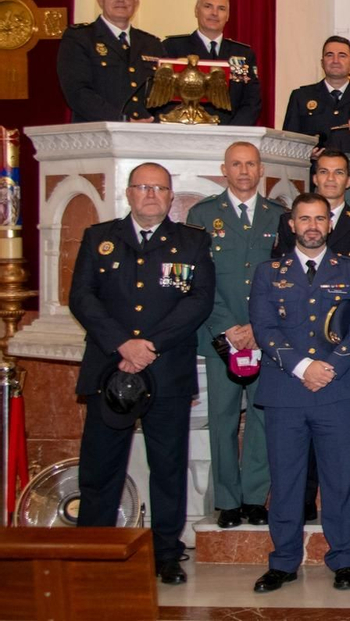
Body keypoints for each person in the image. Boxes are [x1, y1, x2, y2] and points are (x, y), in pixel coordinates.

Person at [70, 163, 215, 585]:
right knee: (100, 468)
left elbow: (199, 302)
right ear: (129, 193)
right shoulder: (101, 238)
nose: (151, 194)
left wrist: (148, 346)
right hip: (109, 369)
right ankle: (92, 550)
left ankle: (166, 553)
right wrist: (123, 344)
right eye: (143, 187)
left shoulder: (192, 242)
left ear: (171, 198)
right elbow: (81, 296)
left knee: (168, 466)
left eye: (160, 188)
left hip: (165, 369)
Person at [248, 193, 350, 593]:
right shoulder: (269, 273)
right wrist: (303, 367)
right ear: (291, 225)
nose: (313, 225)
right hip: (286, 391)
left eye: (320, 218)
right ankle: (283, 560)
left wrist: (330, 366)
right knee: (286, 480)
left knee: (339, 479)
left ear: (330, 224)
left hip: (338, 389)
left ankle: (343, 558)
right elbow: (264, 328)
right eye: (305, 219)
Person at [188, 141, 285, 529]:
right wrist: (227, 326)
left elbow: (282, 279)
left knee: (261, 419)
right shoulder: (202, 214)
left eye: (250, 164)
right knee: (224, 420)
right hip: (220, 337)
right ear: (223, 170)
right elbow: (198, 278)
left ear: (261, 170)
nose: (244, 171)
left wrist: (259, 329)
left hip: (264, 337)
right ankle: (227, 499)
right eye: (236, 165)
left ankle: (253, 497)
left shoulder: (277, 215)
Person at [57, 0, 165, 121]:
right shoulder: (80, 38)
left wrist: (154, 121)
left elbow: (163, 93)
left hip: (145, 134)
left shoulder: (151, 44)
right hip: (99, 134)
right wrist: (122, 120)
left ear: (136, 0)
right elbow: (77, 92)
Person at [160, 0, 262, 125]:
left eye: (221, 9)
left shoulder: (243, 54)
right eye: (208, 6)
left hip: (230, 133)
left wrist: (233, 132)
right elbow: (162, 96)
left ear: (228, 16)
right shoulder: (172, 48)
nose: (214, 13)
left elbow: (252, 102)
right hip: (185, 129)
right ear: (196, 10)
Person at [274, 152, 350, 260]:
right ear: (315, 179)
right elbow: (281, 266)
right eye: (324, 172)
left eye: (339, 172)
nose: (331, 178)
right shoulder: (288, 221)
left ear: (348, 181)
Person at [283, 35, 350, 149]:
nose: (335, 61)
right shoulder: (301, 97)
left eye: (342, 56)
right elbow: (288, 141)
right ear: (322, 63)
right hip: (313, 166)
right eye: (330, 55)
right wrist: (306, 153)